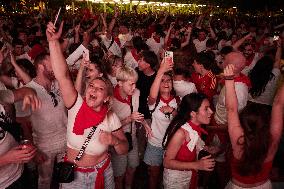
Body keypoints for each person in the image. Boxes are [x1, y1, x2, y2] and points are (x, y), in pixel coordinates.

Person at [46, 21, 128, 188]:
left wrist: (114, 140)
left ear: (106, 98)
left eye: (100, 89)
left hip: (103, 172)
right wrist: (53, 42)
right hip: (74, 177)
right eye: (91, 86)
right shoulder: (76, 106)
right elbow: (63, 76)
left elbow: (124, 149)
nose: (93, 90)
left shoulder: (111, 118)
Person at [224, 64, 284, 188]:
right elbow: (278, 103)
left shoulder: (238, 140)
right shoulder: (272, 140)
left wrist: (229, 79)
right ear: (266, 122)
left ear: (242, 123)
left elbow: (231, 109)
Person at [162, 93, 215, 189]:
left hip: (189, 175)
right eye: (206, 109)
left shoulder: (195, 127)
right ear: (193, 113)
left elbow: (191, 145)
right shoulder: (181, 133)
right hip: (176, 181)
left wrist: (206, 148)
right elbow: (167, 162)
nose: (211, 111)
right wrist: (197, 165)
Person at [111, 66, 151, 189]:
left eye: (135, 84)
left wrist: (145, 125)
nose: (134, 88)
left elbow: (136, 114)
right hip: (118, 139)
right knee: (119, 174)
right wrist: (129, 119)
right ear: (120, 83)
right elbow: (108, 128)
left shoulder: (136, 93)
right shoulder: (110, 99)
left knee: (133, 167)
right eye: (131, 84)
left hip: (132, 137)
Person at [143, 57, 179, 189]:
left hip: (172, 144)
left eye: (168, 80)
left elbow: (180, 119)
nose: (166, 83)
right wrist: (161, 72)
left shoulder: (178, 101)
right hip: (156, 143)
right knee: (154, 174)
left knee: (169, 173)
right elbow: (152, 96)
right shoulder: (154, 101)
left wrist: (172, 111)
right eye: (162, 81)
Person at [0, 87, 41, 189]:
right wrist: (6, 159)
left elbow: (26, 91)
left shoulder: (1, 95)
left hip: (18, 171)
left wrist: (30, 93)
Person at [248, 39, 282, 106]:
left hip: (249, 104)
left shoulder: (252, 73)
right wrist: (279, 46)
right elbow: (278, 60)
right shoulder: (273, 76)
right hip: (265, 108)